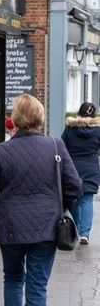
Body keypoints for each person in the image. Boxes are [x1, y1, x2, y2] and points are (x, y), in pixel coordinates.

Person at [0, 94, 82, 306]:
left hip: (10, 227)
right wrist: (56, 203)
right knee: (37, 286)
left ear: (16, 119)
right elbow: (76, 186)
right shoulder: (55, 146)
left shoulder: (0, 152)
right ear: (40, 117)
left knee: (12, 279)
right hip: (46, 227)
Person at [62, 102, 100, 245]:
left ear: (79, 113)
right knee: (87, 199)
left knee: (75, 199)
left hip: (73, 168)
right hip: (91, 168)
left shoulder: (69, 130)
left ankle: (76, 230)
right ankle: (85, 233)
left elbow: (62, 148)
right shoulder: (97, 131)